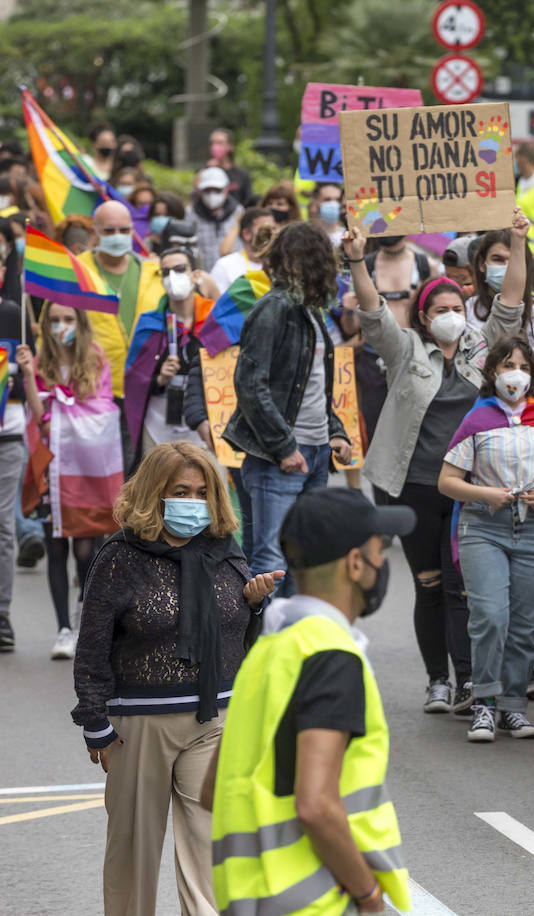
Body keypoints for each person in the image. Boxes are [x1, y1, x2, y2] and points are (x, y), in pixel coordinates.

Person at [71, 442, 278, 916]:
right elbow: (93, 645)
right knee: (134, 855)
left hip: (214, 719)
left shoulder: (225, 550)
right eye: (180, 491)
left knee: (208, 853)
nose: (192, 501)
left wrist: (254, 605)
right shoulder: (120, 557)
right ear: (154, 493)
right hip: (138, 727)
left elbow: (238, 638)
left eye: (202, 492)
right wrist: (94, 720)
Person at [205, 488, 415, 916]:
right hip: (321, 900)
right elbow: (316, 805)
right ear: (355, 563)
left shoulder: (269, 651)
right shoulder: (332, 655)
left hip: (253, 900)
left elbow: (212, 788)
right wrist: (370, 898)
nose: (383, 564)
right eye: (380, 550)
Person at [343, 225, 522, 716]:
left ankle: (468, 680)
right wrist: (358, 260)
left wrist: (521, 243)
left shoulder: (482, 350)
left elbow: (509, 305)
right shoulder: (404, 352)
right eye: (440, 311)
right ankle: (437, 681)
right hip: (411, 488)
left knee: (459, 586)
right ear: (423, 318)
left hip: (467, 488)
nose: (450, 318)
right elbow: (374, 314)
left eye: (456, 310)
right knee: (428, 584)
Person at [439, 338, 534, 742]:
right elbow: (447, 481)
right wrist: (486, 495)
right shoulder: (476, 420)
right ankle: (484, 703)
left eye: (524, 366)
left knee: (526, 624)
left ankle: (513, 707)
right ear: (492, 372)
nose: (516, 373)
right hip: (483, 527)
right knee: (491, 616)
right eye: (508, 365)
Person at [222, 222, 353, 592]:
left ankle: (293, 641)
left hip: (314, 454)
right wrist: (284, 447)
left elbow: (311, 389)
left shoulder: (312, 314)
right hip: (279, 459)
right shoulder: (273, 309)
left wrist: (336, 433)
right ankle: (266, 646)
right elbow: (250, 384)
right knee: (271, 561)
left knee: (304, 557)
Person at [15, 304, 123, 659]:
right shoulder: (41, 361)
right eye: (55, 320)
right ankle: (62, 628)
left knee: (85, 548)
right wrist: (29, 375)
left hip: (85, 470)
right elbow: (39, 415)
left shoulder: (94, 360)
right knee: (55, 547)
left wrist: (62, 418)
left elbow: (101, 412)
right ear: (45, 324)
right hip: (51, 468)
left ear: (80, 323)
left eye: (69, 320)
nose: (62, 326)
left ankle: (82, 613)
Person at [124, 246, 216, 470]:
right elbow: (133, 377)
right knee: (158, 487)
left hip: (205, 419)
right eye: (165, 272)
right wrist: (158, 379)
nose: (172, 277)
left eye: (179, 269)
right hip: (158, 422)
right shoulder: (149, 323)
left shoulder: (214, 319)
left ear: (195, 275)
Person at [467, 216, 534, 421]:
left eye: (512, 260)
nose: (507, 268)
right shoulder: (461, 313)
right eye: (498, 260)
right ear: (481, 264)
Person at [79, 199, 162, 398]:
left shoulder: (154, 272)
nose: (117, 237)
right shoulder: (75, 271)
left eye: (124, 230)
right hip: (93, 390)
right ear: (95, 231)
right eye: (109, 231)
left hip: (147, 388)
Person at [0, 297, 27, 652]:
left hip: (8, 435)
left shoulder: (11, 314)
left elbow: (27, 373)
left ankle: (1, 614)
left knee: (3, 525)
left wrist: (23, 369)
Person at [187, 167, 243, 271]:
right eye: (207, 190)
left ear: (226, 189)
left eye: (217, 190)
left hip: (232, 274)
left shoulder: (237, 211)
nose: (212, 195)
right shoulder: (192, 212)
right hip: (203, 273)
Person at [210, 207, 273, 293]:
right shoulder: (225, 266)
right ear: (246, 234)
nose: (271, 234)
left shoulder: (280, 266)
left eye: (273, 228)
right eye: (265, 229)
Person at [206, 127, 254, 206]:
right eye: (212, 143)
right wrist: (209, 170)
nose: (215, 147)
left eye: (220, 143)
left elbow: (248, 201)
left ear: (230, 146)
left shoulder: (241, 174)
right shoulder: (205, 172)